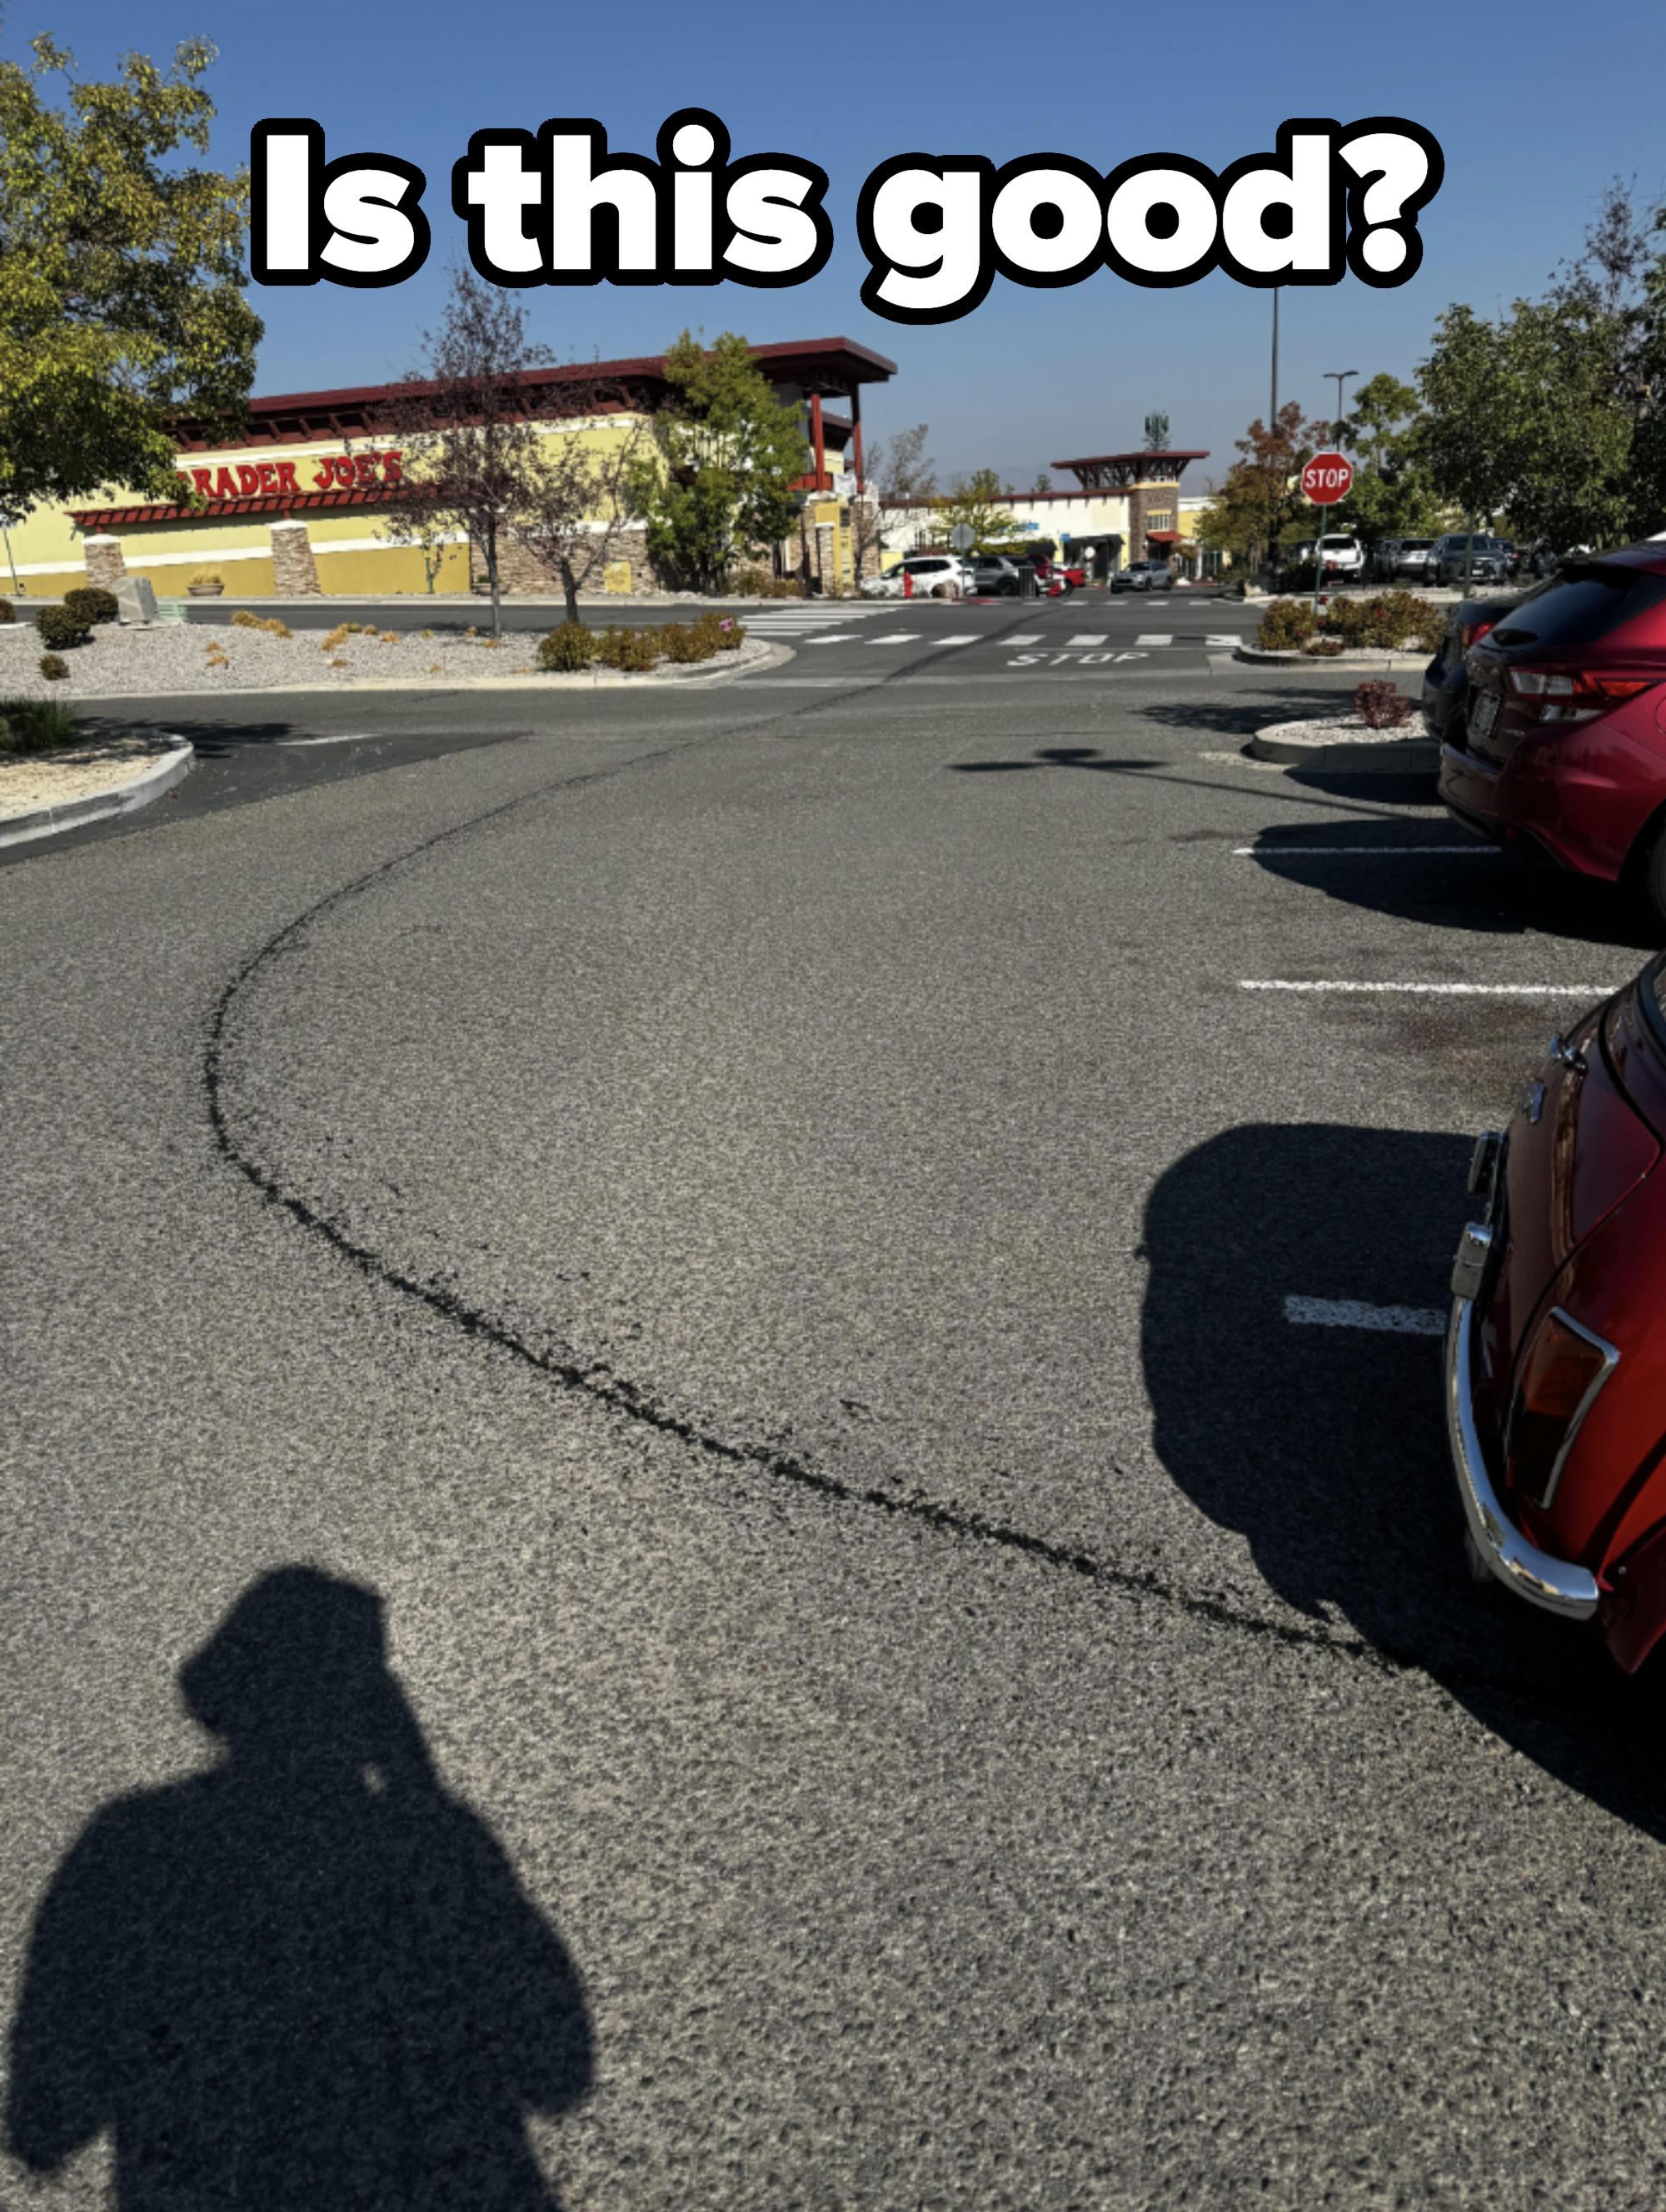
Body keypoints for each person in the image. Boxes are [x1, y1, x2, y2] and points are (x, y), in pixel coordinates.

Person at [7, 1567, 593, 2209]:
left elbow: (46, 2120)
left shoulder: (135, 1849)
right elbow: (557, 2069)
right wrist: (420, 1799)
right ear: (373, 1715)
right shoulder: (426, 1853)